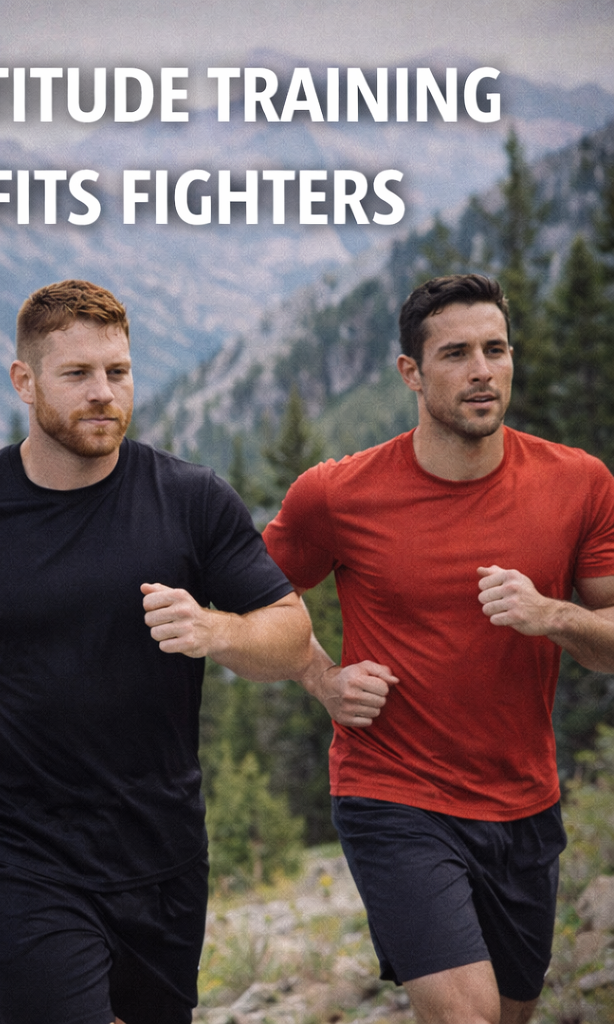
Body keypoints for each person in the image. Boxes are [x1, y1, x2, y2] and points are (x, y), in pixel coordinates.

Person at [0, 279, 312, 1024]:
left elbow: (290, 632)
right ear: (24, 381)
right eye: (77, 374)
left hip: (160, 849)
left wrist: (216, 630)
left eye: (118, 372)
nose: (103, 393)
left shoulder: (190, 499)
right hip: (16, 848)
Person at [263, 274, 614, 1024]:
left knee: (510, 1012)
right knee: (467, 1016)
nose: (482, 371)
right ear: (411, 373)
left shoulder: (578, 483)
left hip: (523, 802)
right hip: (392, 793)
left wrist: (554, 614)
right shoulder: (337, 494)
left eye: (496, 350)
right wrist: (322, 678)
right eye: (456, 354)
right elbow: (254, 594)